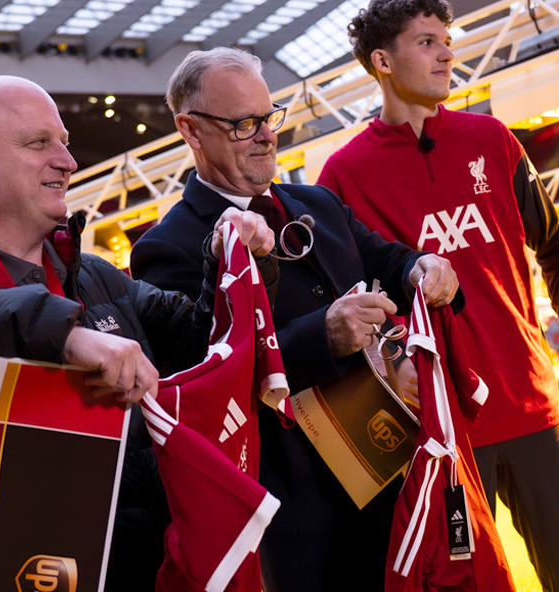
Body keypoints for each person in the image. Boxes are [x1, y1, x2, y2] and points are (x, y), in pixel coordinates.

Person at [0, 75, 276, 589]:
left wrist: (233, 261)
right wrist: (59, 333)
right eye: (38, 143)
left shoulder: (94, 276)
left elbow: (204, 347)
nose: (67, 161)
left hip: (156, 569)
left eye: (64, 142)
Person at [129, 47, 460, 591]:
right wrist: (319, 337)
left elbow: (387, 259)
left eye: (268, 117)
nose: (265, 135)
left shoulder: (318, 204)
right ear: (190, 130)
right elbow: (204, 376)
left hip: (397, 479)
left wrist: (423, 265)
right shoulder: (168, 248)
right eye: (242, 124)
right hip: (303, 520)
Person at [318, 0, 559, 592]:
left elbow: (555, 252)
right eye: (427, 43)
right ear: (383, 62)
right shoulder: (343, 176)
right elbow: (344, 309)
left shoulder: (492, 141)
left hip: (532, 410)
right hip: (439, 432)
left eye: (447, 43)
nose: (447, 56)